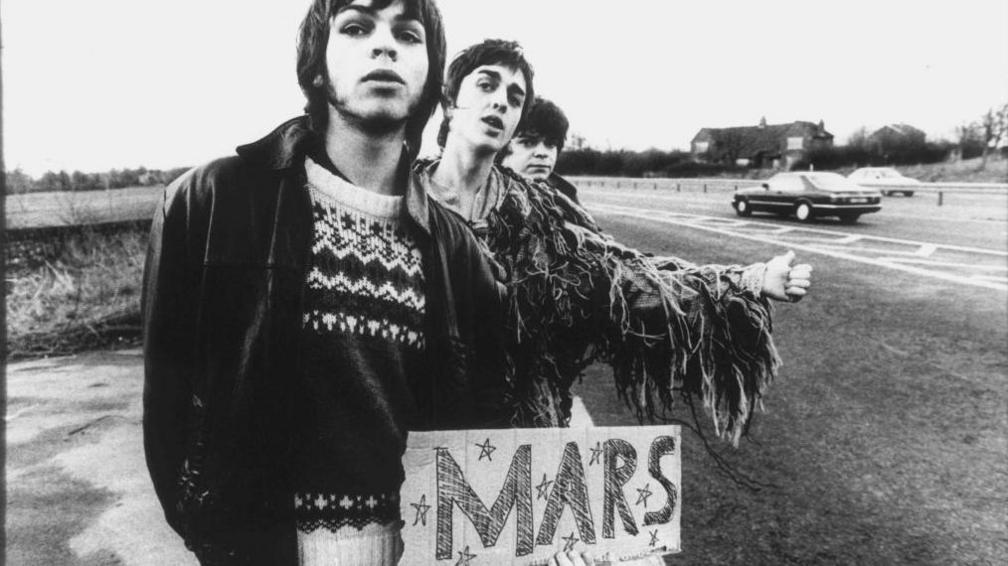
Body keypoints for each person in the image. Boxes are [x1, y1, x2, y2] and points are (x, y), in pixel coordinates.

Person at [142, 2, 510, 565]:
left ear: (432, 77)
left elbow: (480, 412)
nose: (384, 46)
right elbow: (166, 404)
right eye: (357, 27)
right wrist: (215, 532)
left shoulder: (457, 250)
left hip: (412, 552)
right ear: (317, 65)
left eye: (408, 35)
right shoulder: (213, 200)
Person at [417, 39, 813, 440]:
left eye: (514, 98)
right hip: (411, 441)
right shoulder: (397, 200)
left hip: (523, 442)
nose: (501, 102)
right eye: (487, 85)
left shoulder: (541, 215)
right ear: (450, 103)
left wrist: (749, 281)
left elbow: (626, 280)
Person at [498, 96, 580, 203]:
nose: (542, 153)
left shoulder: (568, 201)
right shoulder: (478, 200)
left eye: (550, 143)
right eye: (528, 142)